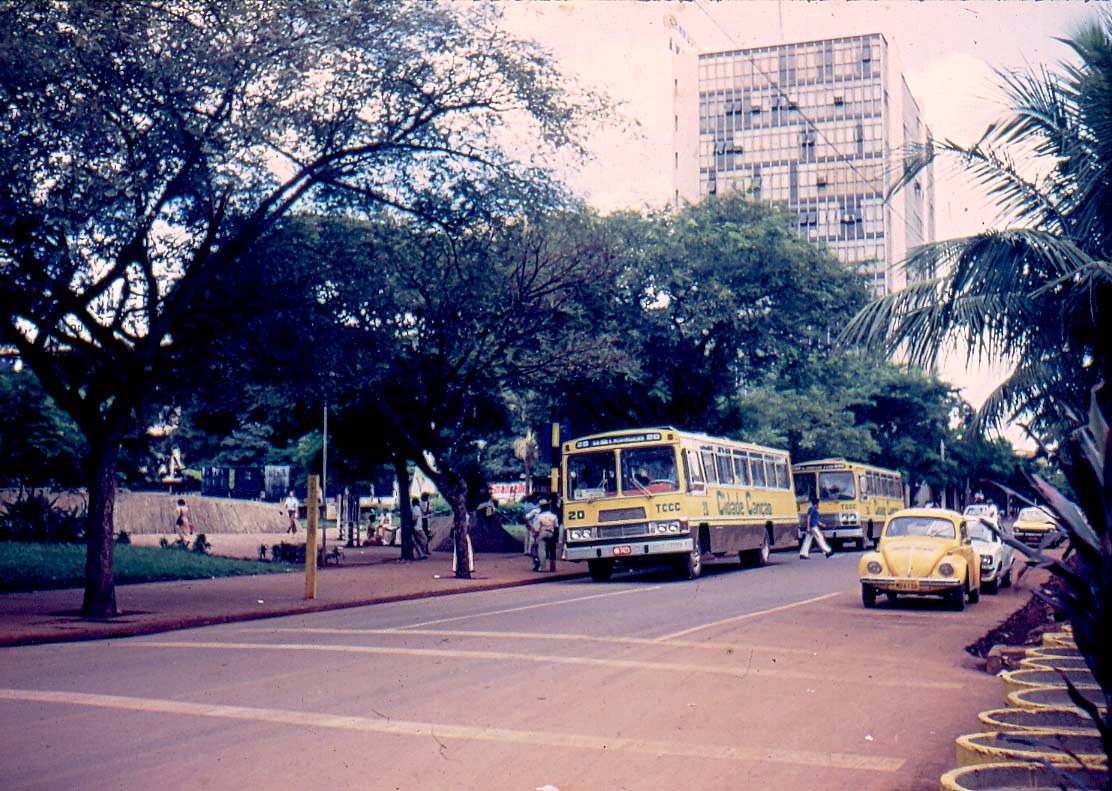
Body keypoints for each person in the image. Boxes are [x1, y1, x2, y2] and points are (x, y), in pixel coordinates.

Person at [534, 503, 559, 571]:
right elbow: (556, 527)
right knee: (552, 549)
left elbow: (537, 529)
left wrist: (535, 536)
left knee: (542, 550)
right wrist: (556, 537)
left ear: (542, 508)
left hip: (543, 533)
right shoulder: (553, 516)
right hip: (551, 533)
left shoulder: (540, 516)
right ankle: (553, 567)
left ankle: (542, 567)